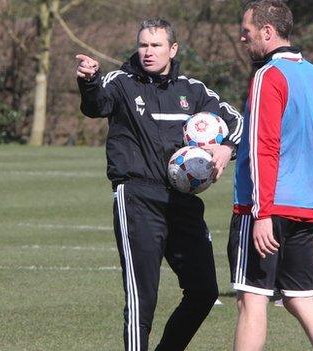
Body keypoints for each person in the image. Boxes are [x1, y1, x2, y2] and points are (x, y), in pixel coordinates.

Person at [76, 18, 242, 351]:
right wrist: (90, 80)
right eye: (143, 45)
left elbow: (237, 121)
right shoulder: (120, 82)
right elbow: (96, 105)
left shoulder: (193, 91)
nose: (148, 52)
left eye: (156, 45)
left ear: (173, 48)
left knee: (204, 291)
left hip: (183, 201)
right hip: (137, 197)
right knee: (142, 297)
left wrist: (227, 148)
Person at [227, 1, 313, 350]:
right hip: (306, 207)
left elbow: (264, 147)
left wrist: (261, 213)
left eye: (247, 33)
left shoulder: (268, 76)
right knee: (300, 298)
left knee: (252, 299)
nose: (243, 39)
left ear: (267, 32)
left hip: (267, 208)